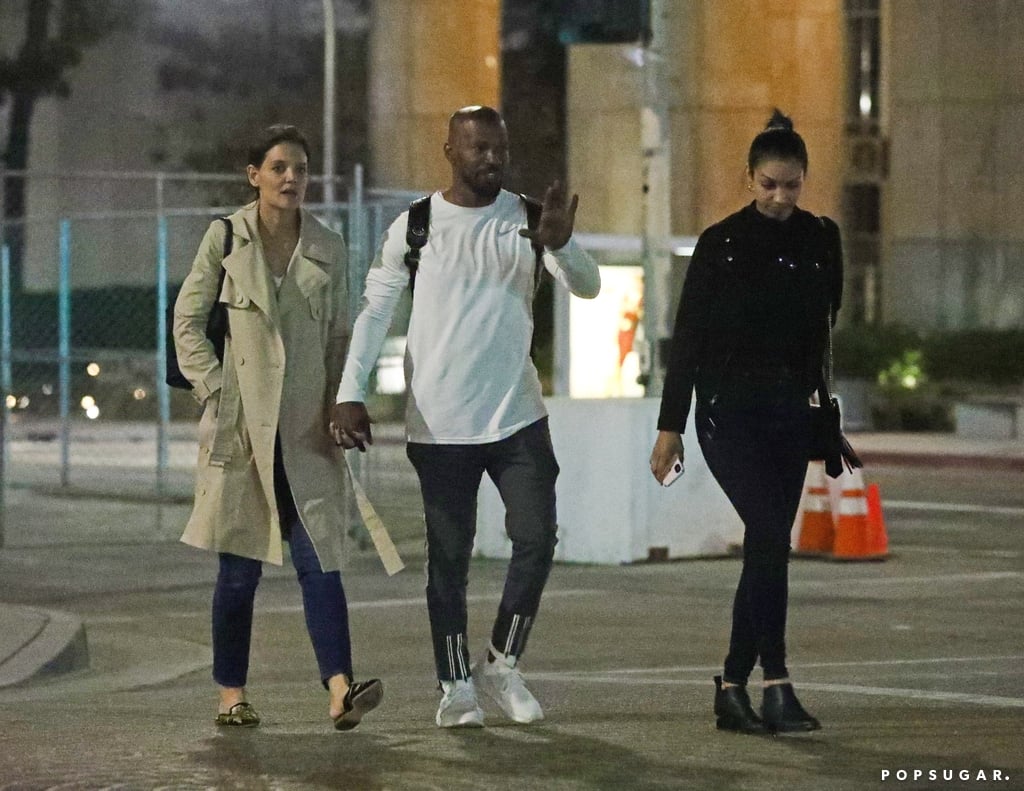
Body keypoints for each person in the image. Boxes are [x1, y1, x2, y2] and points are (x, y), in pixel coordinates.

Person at [331, 105, 600, 728]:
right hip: (440, 425)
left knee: (536, 539)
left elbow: (585, 287)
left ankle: (502, 667)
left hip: (518, 417)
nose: (491, 159)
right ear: (449, 149)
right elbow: (374, 312)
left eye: (499, 149)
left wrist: (564, 245)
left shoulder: (532, 219)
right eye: (478, 148)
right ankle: (454, 687)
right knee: (448, 562)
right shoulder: (416, 226)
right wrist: (352, 391)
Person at [173, 124, 382, 730]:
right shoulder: (225, 238)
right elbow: (187, 324)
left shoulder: (329, 245)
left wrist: (345, 400)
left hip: (307, 429)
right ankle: (230, 694)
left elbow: (341, 334)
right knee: (239, 572)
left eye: (301, 169)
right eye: (279, 167)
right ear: (254, 175)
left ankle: (340, 689)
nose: (292, 178)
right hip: (239, 432)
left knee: (321, 558)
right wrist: (217, 393)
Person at [649, 110, 842, 735]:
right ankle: (775, 681)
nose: (781, 197)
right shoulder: (720, 243)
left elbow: (823, 330)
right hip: (726, 415)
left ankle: (734, 688)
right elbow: (690, 339)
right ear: (749, 178)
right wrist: (669, 426)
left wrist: (821, 407)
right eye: (768, 184)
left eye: (791, 184)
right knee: (767, 533)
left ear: (805, 179)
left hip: (790, 413)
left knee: (767, 546)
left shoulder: (821, 238)